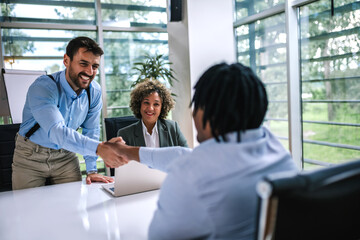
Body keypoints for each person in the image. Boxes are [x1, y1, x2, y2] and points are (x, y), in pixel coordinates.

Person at [111, 62, 299, 239]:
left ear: (210, 113)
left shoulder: (188, 177)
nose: (193, 114)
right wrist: (129, 151)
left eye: (196, 105)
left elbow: (159, 236)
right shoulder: (280, 154)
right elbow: (184, 156)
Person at [12, 36, 125, 190]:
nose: (90, 72)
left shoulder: (94, 92)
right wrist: (100, 148)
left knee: (73, 209)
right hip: (30, 156)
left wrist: (91, 170)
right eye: (83, 64)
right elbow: (57, 132)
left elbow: (91, 130)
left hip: (66, 156)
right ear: (66, 60)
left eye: (95, 66)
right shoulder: (43, 87)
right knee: (26, 210)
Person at [117, 79, 188, 148]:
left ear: (162, 107)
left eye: (156, 104)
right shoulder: (125, 134)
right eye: (146, 103)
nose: (150, 108)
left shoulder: (172, 128)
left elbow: (186, 155)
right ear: (139, 104)